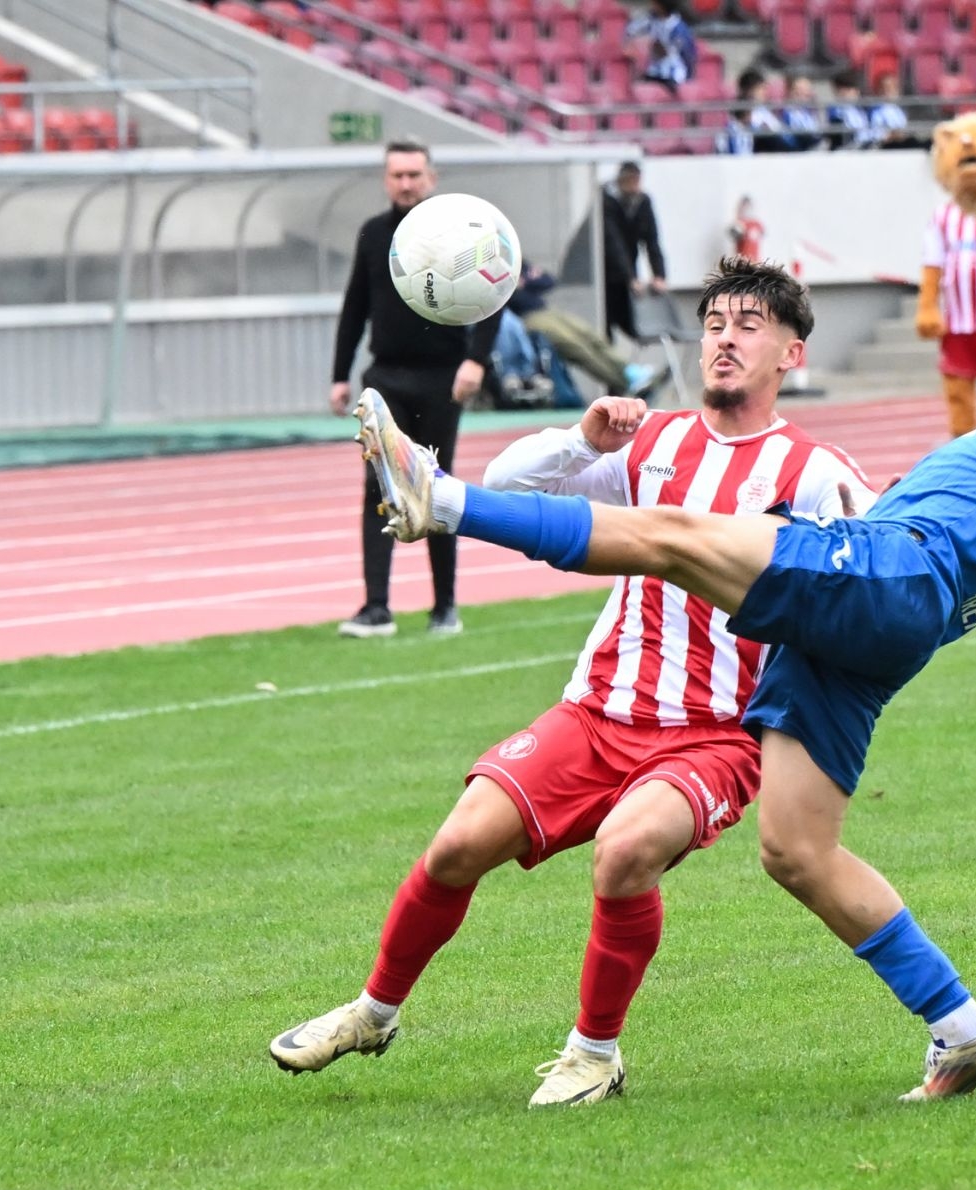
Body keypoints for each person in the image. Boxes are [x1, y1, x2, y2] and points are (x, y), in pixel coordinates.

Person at [352, 229, 976, 1100]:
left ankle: (442, 500)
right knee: (797, 851)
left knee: (673, 537)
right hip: (888, 627)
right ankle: (963, 1026)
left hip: (896, 570)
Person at [272, 257, 874, 1106]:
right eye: (714, 325)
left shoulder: (814, 471)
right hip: (597, 711)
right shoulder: (654, 442)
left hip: (713, 736)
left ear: (792, 354)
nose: (725, 341)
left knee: (625, 853)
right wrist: (584, 441)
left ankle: (594, 1055)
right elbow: (511, 487)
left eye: (748, 326)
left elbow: (879, 575)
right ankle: (373, 1013)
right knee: (456, 846)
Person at [330, 139, 493, 640]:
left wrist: (476, 360)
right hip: (386, 377)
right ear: (386, 180)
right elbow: (355, 305)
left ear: (431, 178)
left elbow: (493, 292)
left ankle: (445, 607)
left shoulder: (458, 232)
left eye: (414, 175)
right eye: (397, 175)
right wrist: (339, 374)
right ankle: (376, 608)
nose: (406, 184)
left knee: (435, 487)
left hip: (442, 379)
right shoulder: (374, 233)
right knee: (378, 488)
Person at [509, 261, 665, 400]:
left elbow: (547, 280)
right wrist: (523, 282)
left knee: (590, 336)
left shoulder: (513, 257)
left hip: (545, 310)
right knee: (578, 347)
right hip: (524, 319)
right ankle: (627, 384)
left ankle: (631, 372)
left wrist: (523, 282)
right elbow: (510, 294)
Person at [601, 161, 669, 343]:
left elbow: (652, 240)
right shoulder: (606, 201)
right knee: (607, 319)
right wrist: (630, 277)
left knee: (631, 321)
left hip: (627, 269)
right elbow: (613, 243)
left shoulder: (642, 201)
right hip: (604, 271)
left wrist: (659, 274)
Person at [627, 0, 697, 91]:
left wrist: (689, 74)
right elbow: (631, 30)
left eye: (655, 4)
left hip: (673, 73)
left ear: (661, 6)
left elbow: (687, 53)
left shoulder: (678, 28)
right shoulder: (651, 21)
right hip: (655, 70)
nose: (652, 6)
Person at [866, 71, 919, 149]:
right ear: (880, 89)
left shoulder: (898, 110)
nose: (891, 91)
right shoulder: (876, 110)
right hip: (885, 146)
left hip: (900, 142)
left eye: (894, 87)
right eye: (887, 87)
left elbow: (903, 129)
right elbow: (875, 134)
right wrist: (892, 135)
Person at [825, 69, 874, 149]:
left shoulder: (861, 110)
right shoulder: (836, 110)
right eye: (848, 90)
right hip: (848, 148)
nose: (856, 93)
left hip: (865, 146)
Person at [780, 74, 823, 152]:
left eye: (808, 89)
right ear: (792, 92)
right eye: (801, 89)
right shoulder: (790, 113)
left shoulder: (810, 112)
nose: (806, 92)